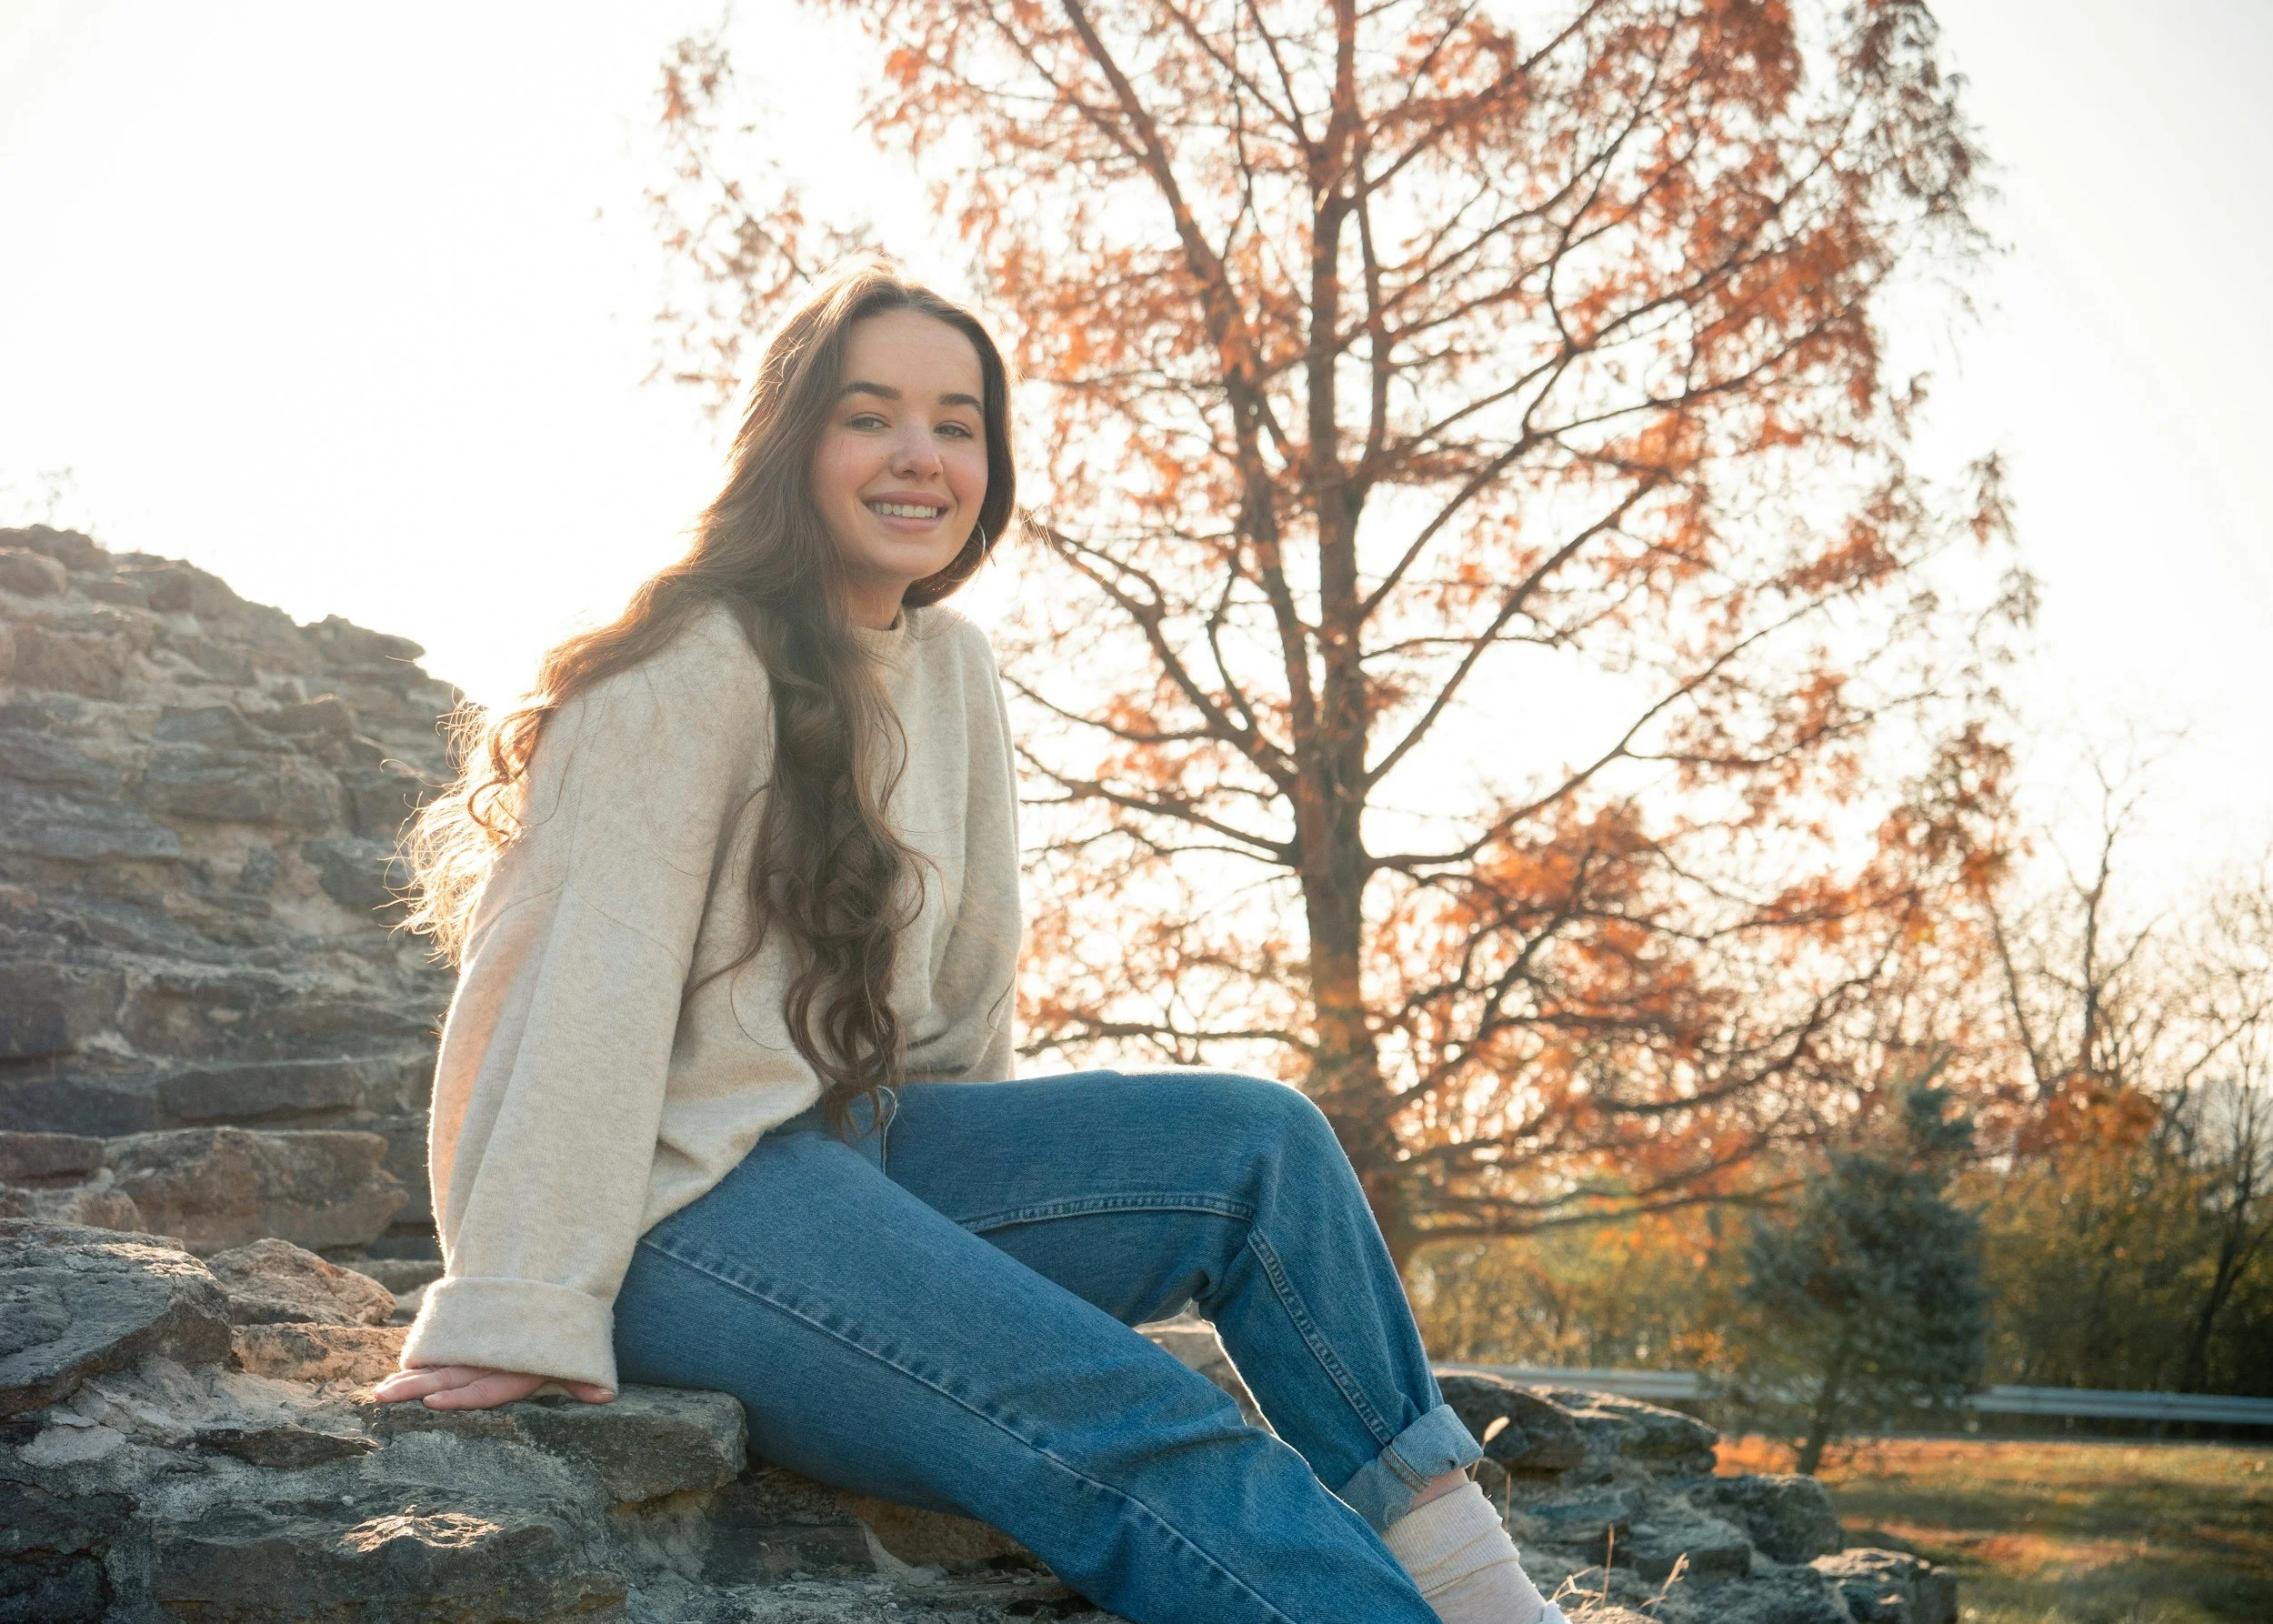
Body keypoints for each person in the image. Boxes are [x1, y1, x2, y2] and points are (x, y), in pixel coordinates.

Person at [372, 261, 1565, 1624]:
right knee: (1141, 1413)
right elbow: (570, 1003)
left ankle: (1485, 1590)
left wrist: (967, 1287)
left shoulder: (953, 668)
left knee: (1266, 1146)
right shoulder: (683, 671)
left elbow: (958, 1012)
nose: (918, 456)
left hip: (866, 1156)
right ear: (795, 443)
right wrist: (520, 1301)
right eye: (869, 414)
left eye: (958, 423)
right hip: (674, 1213)